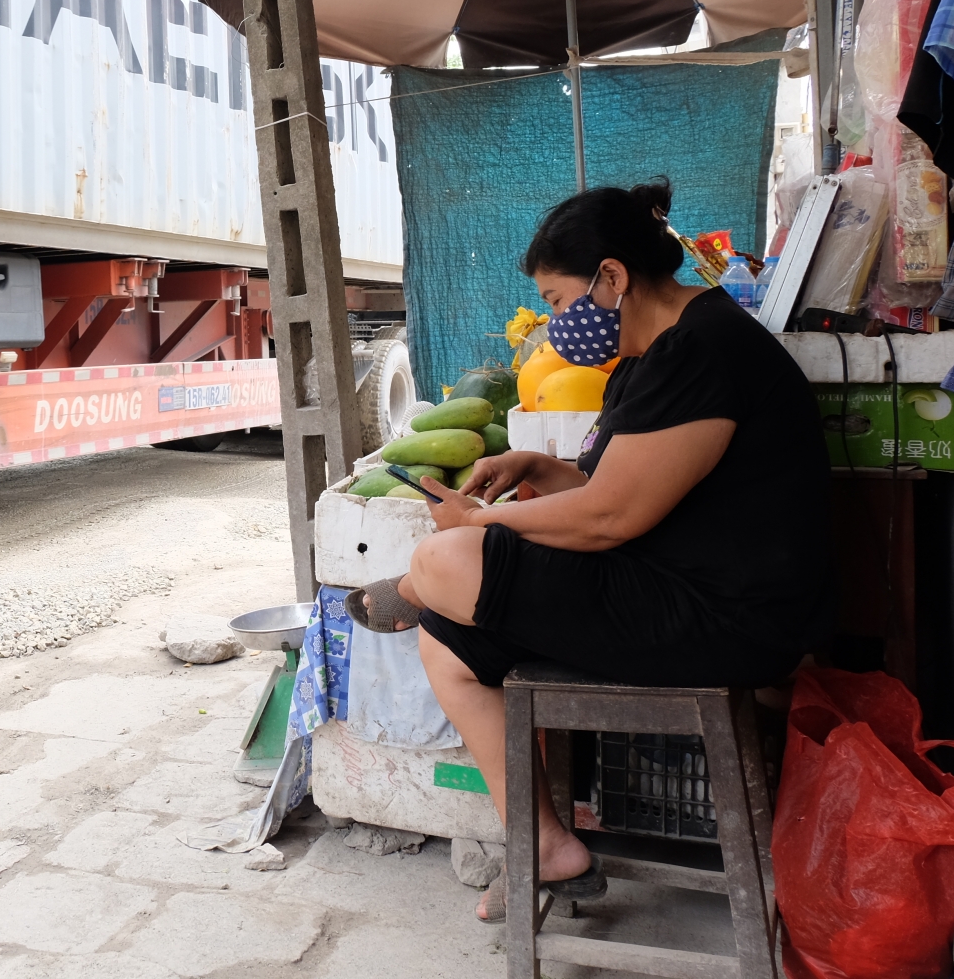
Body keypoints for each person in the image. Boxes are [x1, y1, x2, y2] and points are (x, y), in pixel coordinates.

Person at [347, 180, 830, 923]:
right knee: (445, 644)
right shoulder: (650, 356)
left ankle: (412, 587)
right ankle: (541, 844)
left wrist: (482, 526)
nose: (552, 323)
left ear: (612, 277)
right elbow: (621, 490)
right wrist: (542, 472)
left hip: (728, 619)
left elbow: (610, 519)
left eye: (557, 299)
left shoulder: (706, 351)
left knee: (447, 565)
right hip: (665, 580)